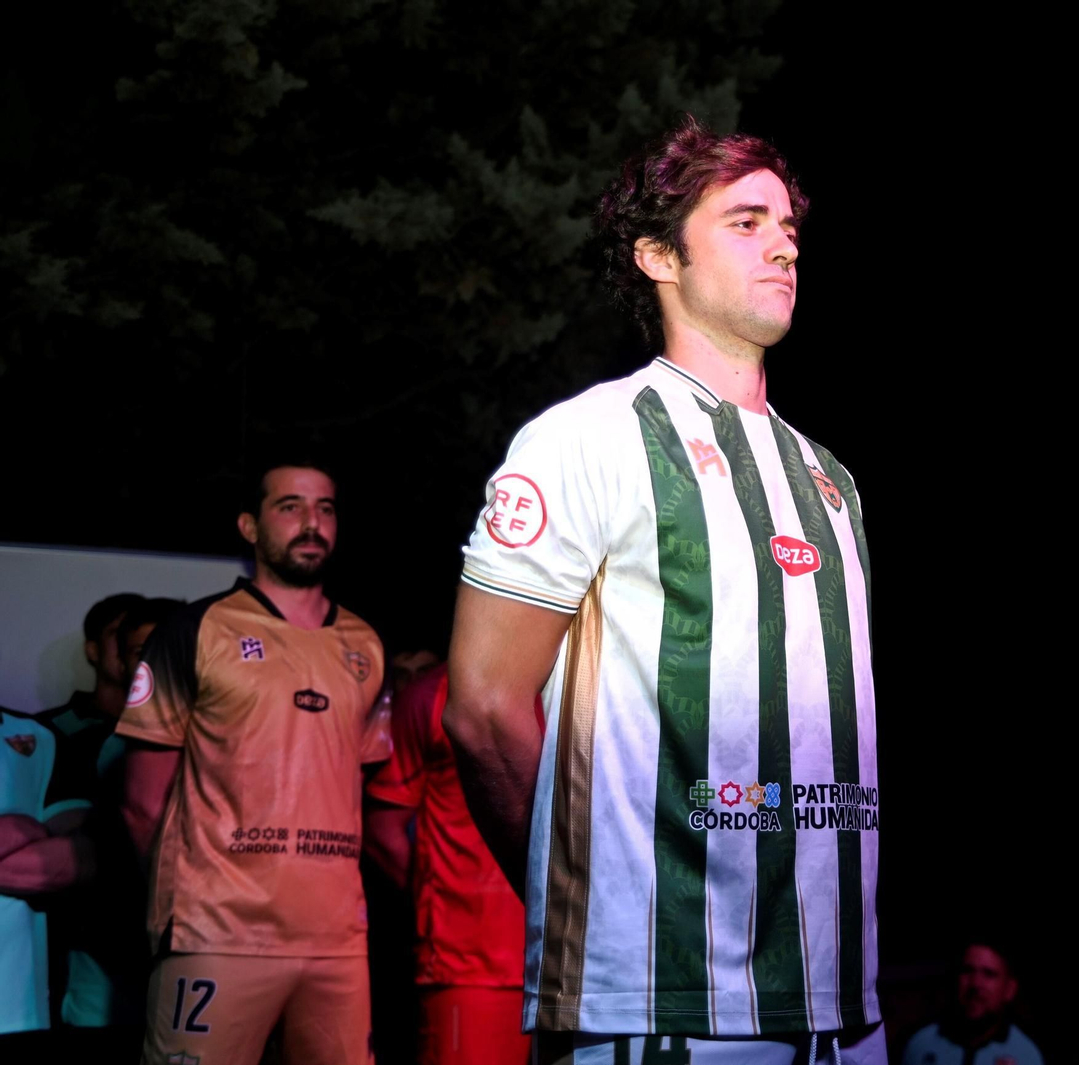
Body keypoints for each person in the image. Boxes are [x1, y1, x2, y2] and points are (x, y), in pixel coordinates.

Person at [445, 115, 882, 1064]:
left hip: (844, 1009)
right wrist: (586, 888)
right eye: (745, 220)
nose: (783, 242)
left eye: (789, 226)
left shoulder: (830, 478)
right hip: (655, 1003)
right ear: (658, 256)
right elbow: (481, 710)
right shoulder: (587, 438)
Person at [117, 460, 391, 1065]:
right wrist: (186, 903)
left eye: (325, 508)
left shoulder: (365, 644)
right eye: (290, 507)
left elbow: (357, 791)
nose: (311, 523)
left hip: (337, 941)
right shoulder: (194, 630)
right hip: (217, 933)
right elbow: (142, 803)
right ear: (249, 525)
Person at [364, 662, 535, 1064]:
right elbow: (383, 832)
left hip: (581, 968)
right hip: (472, 964)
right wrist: (440, 901)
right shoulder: (436, 693)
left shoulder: (585, 685)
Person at [46, 596, 187, 1056]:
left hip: (200, 956)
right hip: (109, 964)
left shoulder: (233, 737)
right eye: (138, 651)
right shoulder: (101, 746)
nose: (151, 661)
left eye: (162, 647)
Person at [1, 703, 94, 1039]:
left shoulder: (41, 737)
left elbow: (76, 860)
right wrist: (24, 829)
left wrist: (23, 830)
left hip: (18, 1009)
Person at [899, 942, 1043, 1065]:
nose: (975, 984)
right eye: (967, 971)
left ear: (1010, 989)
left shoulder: (1026, 1055)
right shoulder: (920, 1045)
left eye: (989, 974)